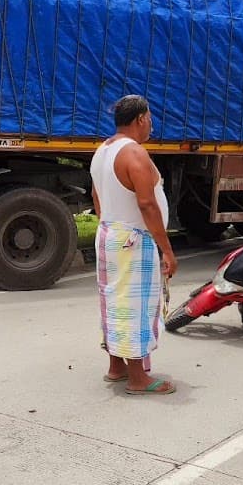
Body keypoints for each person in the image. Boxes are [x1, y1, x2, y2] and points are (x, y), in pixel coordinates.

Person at [90, 95, 177, 396]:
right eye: (150, 118)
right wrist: (167, 250)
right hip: (133, 239)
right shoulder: (134, 153)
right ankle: (138, 378)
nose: (151, 124)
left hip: (110, 234)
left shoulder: (103, 150)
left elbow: (97, 196)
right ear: (140, 119)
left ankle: (117, 366)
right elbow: (147, 204)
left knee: (114, 301)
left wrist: (111, 227)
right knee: (135, 307)